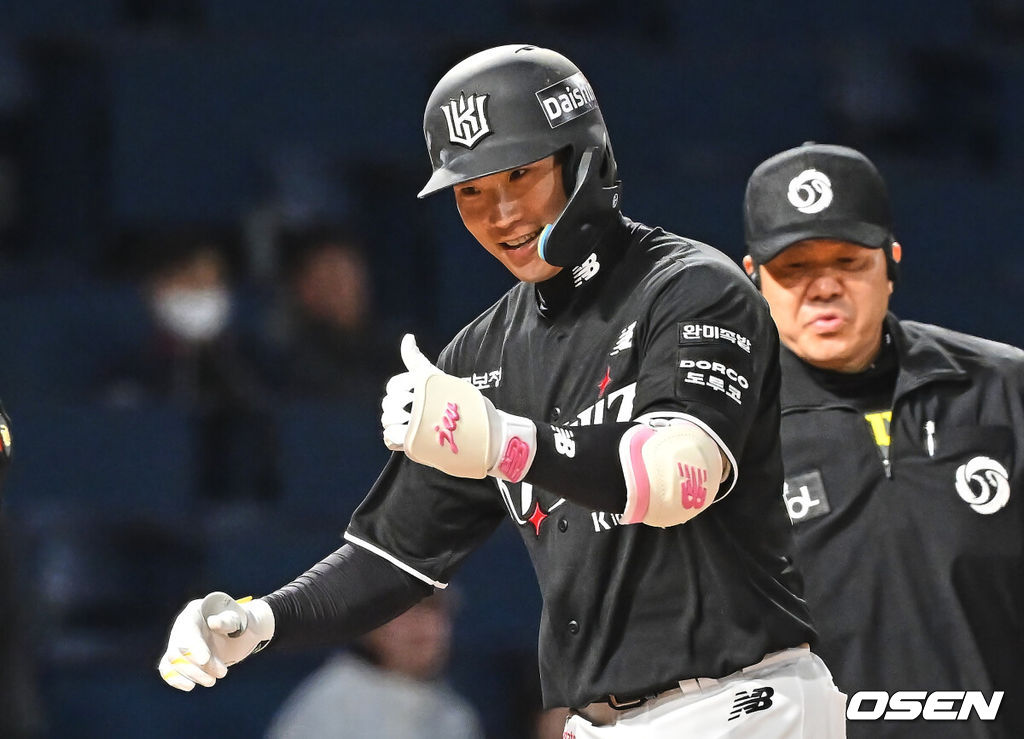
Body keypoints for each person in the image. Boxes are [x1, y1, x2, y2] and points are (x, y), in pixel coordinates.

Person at [159, 45, 846, 737]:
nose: (500, 212)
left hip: (741, 701)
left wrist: (503, 441)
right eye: (471, 191)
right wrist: (256, 621)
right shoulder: (482, 354)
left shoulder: (692, 287)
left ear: (584, 158)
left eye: (520, 173)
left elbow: (681, 477)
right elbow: (394, 557)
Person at [741, 142, 1024, 737]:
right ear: (753, 280)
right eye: (793, 268)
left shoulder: (1004, 389)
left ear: (890, 264)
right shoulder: (729, 431)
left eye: (847, 261)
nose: (823, 288)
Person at [265, 591, 482, 739]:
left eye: (432, 610)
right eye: (401, 613)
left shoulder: (456, 715)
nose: (421, 627)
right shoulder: (331, 704)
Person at [272, 224, 398, 399]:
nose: (344, 290)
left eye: (350, 274)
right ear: (303, 289)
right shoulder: (295, 367)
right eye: (331, 280)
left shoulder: (398, 347)